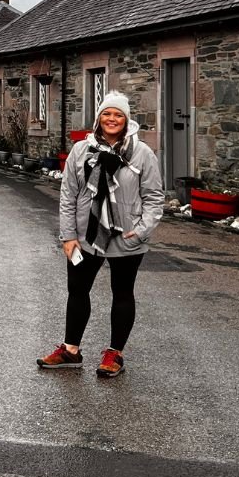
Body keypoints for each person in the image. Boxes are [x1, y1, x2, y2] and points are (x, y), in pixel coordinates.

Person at [37, 91, 163, 378]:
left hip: (126, 236)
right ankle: (70, 350)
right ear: (98, 118)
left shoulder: (142, 154)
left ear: (126, 120)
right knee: (78, 290)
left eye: (118, 115)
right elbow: (68, 194)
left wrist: (140, 232)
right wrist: (68, 236)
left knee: (122, 292)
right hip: (85, 234)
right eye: (107, 113)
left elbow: (155, 198)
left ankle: (114, 354)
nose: (112, 119)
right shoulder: (82, 151)